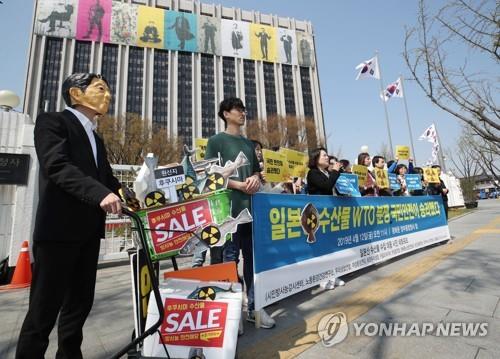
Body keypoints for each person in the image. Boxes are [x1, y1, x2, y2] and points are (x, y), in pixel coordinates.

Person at [16, 73, 122, 359]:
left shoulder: (96, 138)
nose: (108, 95)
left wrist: (135, 198)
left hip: (89, 233)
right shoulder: (52, 122)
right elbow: (57, 166)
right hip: (58, 232)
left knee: (79, 305)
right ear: (76, 94)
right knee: (43, 310)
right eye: (100, 89)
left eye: (108, 91)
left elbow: (109, 179)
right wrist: (101, 194)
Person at [205, 98, 275, 330]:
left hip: (251, 209)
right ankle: (233, 312)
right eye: (238, 110)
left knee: (253, 261)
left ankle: (256, 307)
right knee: (229, 260)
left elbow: (256, 169)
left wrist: (254, 178)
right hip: (228, 211)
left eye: (244, 110)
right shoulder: (216, 141)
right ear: (226, 114)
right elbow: (210, 174)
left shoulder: (247, 143)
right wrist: (238, 185)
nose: (243, 113)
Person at [306, 148, 345, 289]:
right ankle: (322, 279)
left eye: (327, 155)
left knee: (332, 246)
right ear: (315, 158)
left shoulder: (328, 173)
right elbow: (326, 186)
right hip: (318, 214)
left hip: (331, 213)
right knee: (322, 247)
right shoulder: (313, 173)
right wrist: (335, 172)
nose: (327, 157)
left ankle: (333, 275)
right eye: (324, 155)